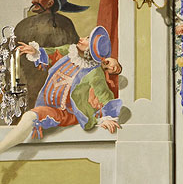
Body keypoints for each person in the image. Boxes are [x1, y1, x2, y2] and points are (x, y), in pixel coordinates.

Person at [0, 26, 122, 155]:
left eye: (87, 40)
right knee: (29, 116)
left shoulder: (95, 72)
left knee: (30, 117)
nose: (80, 39)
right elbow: (54, 52)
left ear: (92, 50)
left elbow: (103, 94)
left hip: (67, 112)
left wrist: (108, 117)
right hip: (48, 105)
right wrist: (35, 51)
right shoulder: (70, 52)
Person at [14, 0, 88, 103]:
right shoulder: (22, 25)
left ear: (51, 3)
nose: (34, 0)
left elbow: (74, 54)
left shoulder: (65, 24)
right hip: (25, 87)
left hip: (56, 87)